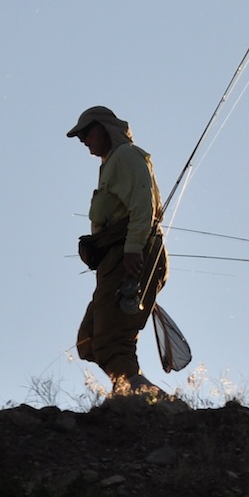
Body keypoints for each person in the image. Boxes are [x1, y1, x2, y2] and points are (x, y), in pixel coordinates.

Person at [68, 105, 168, 396]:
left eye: (87, 133)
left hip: (131, 254)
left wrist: (134, 248)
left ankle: (140, 398)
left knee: (113, 337)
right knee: (90, 339)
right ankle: (128, 389)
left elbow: (142, 204)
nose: (84, 140)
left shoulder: (126, 156)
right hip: (117, 257)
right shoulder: (111, 163)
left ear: (104, 128)